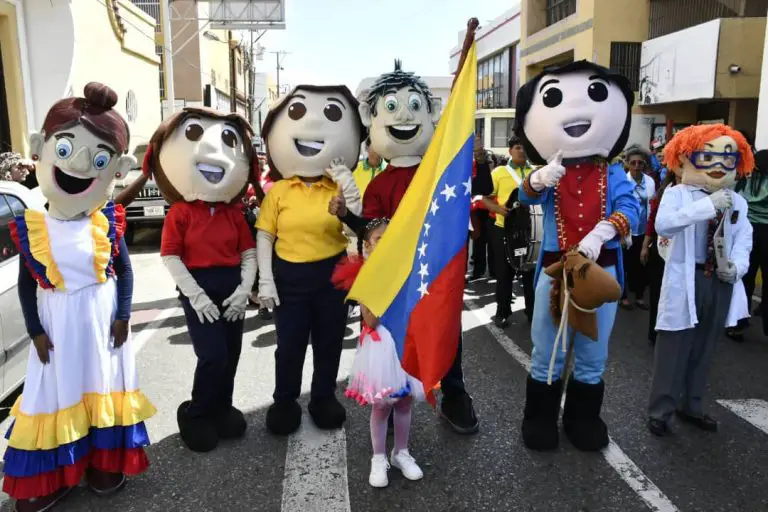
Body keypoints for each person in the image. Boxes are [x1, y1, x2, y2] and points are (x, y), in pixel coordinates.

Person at [3, 83, 155, 510]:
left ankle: (102, 463)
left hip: (102, 322)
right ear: (39, 149)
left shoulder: (106, 221)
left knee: (100, 386)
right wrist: (33, 331)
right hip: (55, 325)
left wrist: (124, 314)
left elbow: (123, 271)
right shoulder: (33, 226)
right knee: (54, 393)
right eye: (65, 150)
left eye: (100, 160)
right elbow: (27, 284)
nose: (82, 167)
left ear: (116, 169)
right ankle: (56, 474)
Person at [330, 60, 487, 434]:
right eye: (391, 108)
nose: (403, 116)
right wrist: (348, 217)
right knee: (393, 338)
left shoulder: (442, 172)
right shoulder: (378, 185)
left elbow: (470, 193)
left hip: (436, 272)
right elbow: (372, 229)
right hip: (397, 278)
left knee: (446, 329)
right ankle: (393, 401)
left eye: (414, 106)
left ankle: (454, 395)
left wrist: (474, 160)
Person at [516, 60, 640, 452]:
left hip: (599, 272)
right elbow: (524, 196)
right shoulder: (551, 168)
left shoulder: (613, 172)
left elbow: (632, 208)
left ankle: (582, 419)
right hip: (555, 272)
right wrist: (536, 179)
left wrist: (603, 232)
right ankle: (539, 420)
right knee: (547, 350)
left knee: (592, 354)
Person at [142, 107, 259, 453]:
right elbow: (171, 257)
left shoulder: (233, 213)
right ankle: (196, 412)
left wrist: (244, 290)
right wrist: (195, 296)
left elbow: (248, 253)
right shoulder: (181, 212)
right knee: (213, 355)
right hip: (199, 288)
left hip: (231, 287)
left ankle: (222, 406)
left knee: (233, 353)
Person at [256, 84, 367, 436]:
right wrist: (266, 280)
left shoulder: (333, 185)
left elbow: (358, 217)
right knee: (289, 344)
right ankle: (285, 400)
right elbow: (264, 236)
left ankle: (322, 396)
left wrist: (345, 183)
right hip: (289, 274)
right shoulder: (280, 191)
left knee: (329, 340)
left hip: (331, 273)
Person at [647, 124, 753, 437]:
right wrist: (707, 206)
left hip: (719, 280)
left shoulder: (738, 201)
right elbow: (664, 225)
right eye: (707, 157)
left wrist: (738, 267)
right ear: (687, 158)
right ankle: (660, 411)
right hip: (687, 276)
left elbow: (745, 237)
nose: (719, 166)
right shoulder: (678, 194)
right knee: (673, 348)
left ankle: (691, 406)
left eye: (727, 159)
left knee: (706, 347)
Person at [331, 218, 425, 488]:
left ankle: (402, 452)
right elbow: (370, 319)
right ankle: (379, 456)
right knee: (382, 405)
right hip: (381, 343)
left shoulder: (407, 270)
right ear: (368, 245)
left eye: (388, 237)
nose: (383, 243)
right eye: (377, 239)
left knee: (405, 401)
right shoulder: (366, 274)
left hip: (405, 341)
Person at [483, 136, 534, 326]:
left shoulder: (535, 172)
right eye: (518, 147)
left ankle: (532, 312)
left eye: (525, 147)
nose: (522, 150)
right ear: (510, 150)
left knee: (530, 272)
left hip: (530, 232)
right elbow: (485, 197)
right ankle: (502, 312)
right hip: (503, 229)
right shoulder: (499, 172)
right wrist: (498, 209)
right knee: (505, 273)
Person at [731, 149, 768, 340]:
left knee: (745, 278)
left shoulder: (745, 181)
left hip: (748, 231)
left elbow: (735, 204)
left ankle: (738, 324)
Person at [641, 171, 677, 345]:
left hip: (681, 254)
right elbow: (652, 220)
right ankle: (654, 333)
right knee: (657, 292)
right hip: (660, 249)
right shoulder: (664, 193)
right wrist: (645, 246)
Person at [621, 145, 655, 310]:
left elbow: (652, 206)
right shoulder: (623, 182)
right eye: (633, 162)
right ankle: (624, 296)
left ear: (645, 165)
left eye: (640, 163)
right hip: (627, 231)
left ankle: (640, 296)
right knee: (625, 265)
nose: (636, 166)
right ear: (627, 163)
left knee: (642, 265)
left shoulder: (650, 182)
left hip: (644, 231)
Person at [469, 135, 495, 281]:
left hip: (479, 207)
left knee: (481, 239)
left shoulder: (482, 162)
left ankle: (480, 270)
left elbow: (486, 188)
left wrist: (480, 158)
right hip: (458, 207)